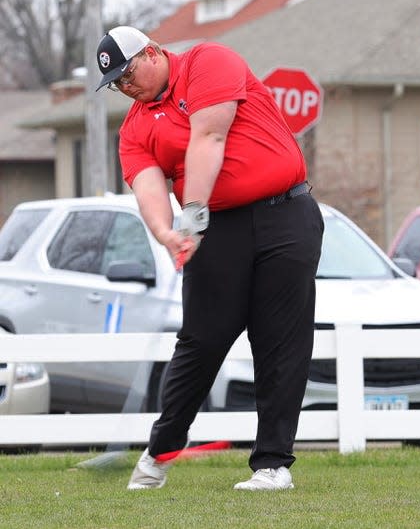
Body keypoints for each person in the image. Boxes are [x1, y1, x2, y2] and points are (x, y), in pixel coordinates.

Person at [96, 25, 324, 491]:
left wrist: (193, 210)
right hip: (217, 231)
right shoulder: (135, 128)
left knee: (280, 339)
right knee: (201, 342)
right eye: (117, 83)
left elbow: (210, 136)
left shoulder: (208, 61)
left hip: (285, 213)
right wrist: (167, 233)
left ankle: (272, 465)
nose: (126, 86)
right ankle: (158, 454)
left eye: (128, 72)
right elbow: (148, 186)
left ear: (153, 52)